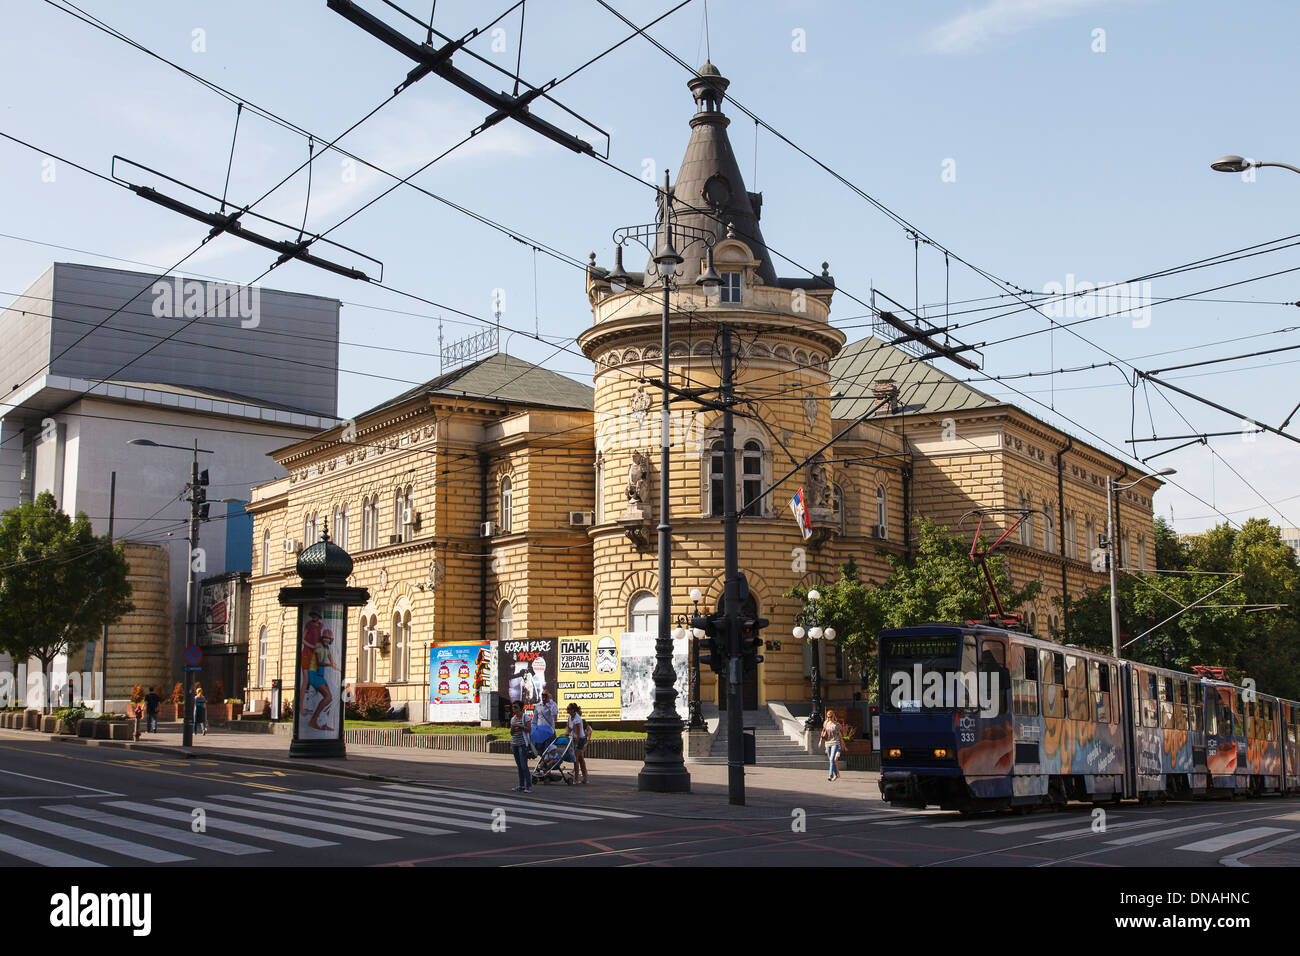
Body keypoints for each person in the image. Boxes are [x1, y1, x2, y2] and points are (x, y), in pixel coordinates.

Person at [308, 630, 338, 732]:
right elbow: (319, 662)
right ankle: (314, 720)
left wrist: (340, 669)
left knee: (330, 698)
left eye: (328, 638)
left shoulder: (327, 648)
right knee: (328, 697)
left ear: (330, 640)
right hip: (314, 674)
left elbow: (333, 662)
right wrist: (330, 665)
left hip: (320, 676)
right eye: (325, 638)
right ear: (322, 638)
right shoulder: (319, 647)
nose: (326, 640)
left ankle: (324, 722)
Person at [509, 701, 533, 793]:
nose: (514, 709)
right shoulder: (513, 719)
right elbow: (511, 733)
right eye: (513, 707)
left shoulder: (525, 717)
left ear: (520, 708)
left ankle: (528, 786)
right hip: (514, 743)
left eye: (515, 707)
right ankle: (521, 785)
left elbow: (529, 730)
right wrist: (513, 728)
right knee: (519, 766)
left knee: (524, 765)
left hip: (522, 744)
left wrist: (520, 726)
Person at [567, 702, 590, 784]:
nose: (567, 710)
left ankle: (576, 779)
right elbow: (568, 727)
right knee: (580, 759)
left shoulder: (577, 719)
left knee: (575, 758)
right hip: (573, 738)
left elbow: (578, 734)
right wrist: (566, 733)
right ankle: (585, 777)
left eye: (569, 709)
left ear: (573, 710)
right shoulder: (570, 716)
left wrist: (575, 745)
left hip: (580, 739)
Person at [820, 708, 844, 781]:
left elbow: (840, 734)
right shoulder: (826, 723)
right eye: (828, 717)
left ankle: (830, 775)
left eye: (830, 717)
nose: (829, 718)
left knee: (831, 759)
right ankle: (836, 774)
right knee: (831, 760)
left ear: (833, 716)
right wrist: (820, 741)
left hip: (835, 743)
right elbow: (823, 732)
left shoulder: (837, 724)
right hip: (827, 743)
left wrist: (842, 743)